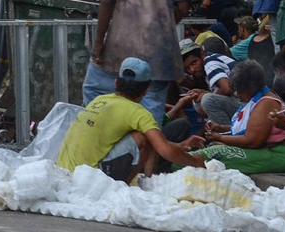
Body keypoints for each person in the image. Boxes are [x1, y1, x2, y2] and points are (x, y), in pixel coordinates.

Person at [58, 58, 205, 183]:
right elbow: (164, 149)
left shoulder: (99, 100)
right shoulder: (138, 112)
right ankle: (134, 184)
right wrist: (195, 162)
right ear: (146, 90)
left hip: (66, 172)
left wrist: (179, 145)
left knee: (145, 135)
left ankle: (147, 179)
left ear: (116, 83)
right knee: (143, 138)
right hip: (91, 178)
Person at [193, 60, 285, 174]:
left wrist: (219, 137)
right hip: (269, 151)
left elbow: (252, 141)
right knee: (212, 153)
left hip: (281, 155)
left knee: (214, 154)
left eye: (240, 92)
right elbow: (250, 129)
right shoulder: (257, 99)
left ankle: (175, 161)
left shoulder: (266, 103)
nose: (237, 96)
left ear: (249, 89)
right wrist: (220, 127)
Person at [181, 37, 240, 125]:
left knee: (207, 100)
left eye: (194, 63)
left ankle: (226, 134)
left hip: (249, 103)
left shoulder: (209, 61)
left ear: (202, 55)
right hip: (244, 102)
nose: (192, 70)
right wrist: (203, 92)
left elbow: (227, 88)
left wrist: (205, 96)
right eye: (187, 68)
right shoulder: (208, 69)